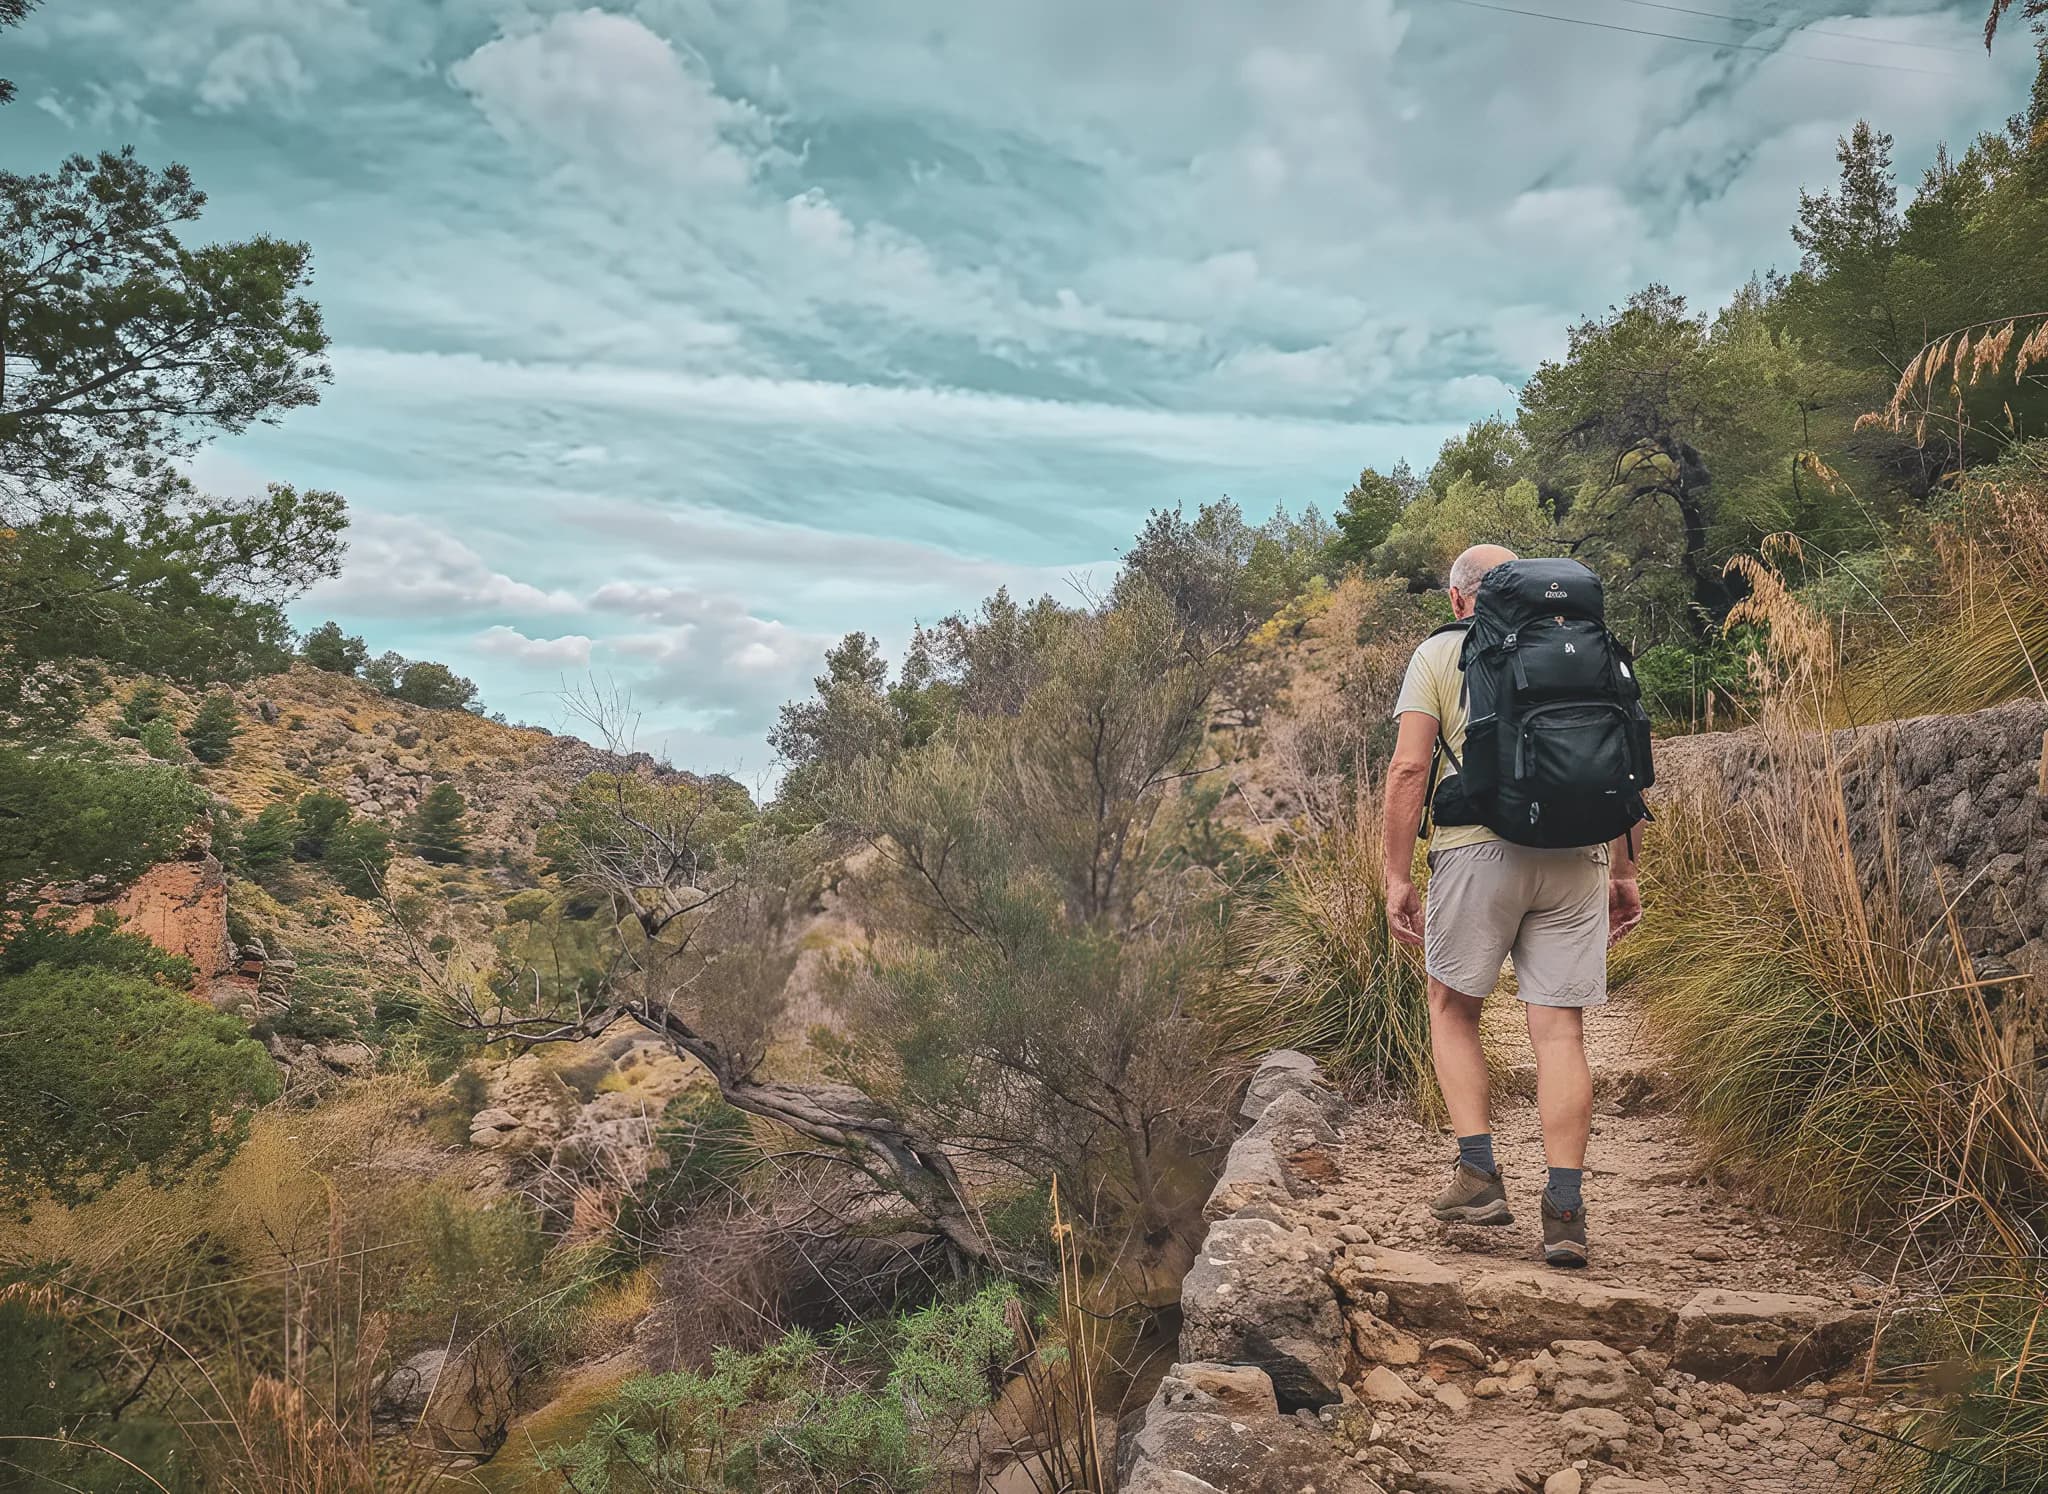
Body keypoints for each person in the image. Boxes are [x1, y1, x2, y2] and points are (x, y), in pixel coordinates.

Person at [1381, 543, 1643, 1267]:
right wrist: (1624, 869)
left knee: (1452, 1006)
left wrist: (1395, 875)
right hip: (1579, 855)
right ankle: (1564, 1210)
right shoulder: (1587, 651)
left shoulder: (1441, 654)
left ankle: (1479, 1175)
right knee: (1560, 1033)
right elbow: (1622, 766)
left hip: (1476, 849)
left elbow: (1409, 768)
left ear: (1461, 600)